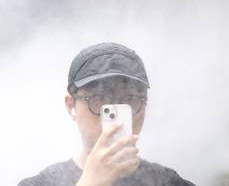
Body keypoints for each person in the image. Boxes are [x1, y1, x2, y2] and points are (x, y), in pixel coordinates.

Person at [18, 42, 195, 186]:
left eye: (130, 99)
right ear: (70, 105)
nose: (113, 115)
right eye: (98, 99)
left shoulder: (169, 183)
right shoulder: (41, 183)